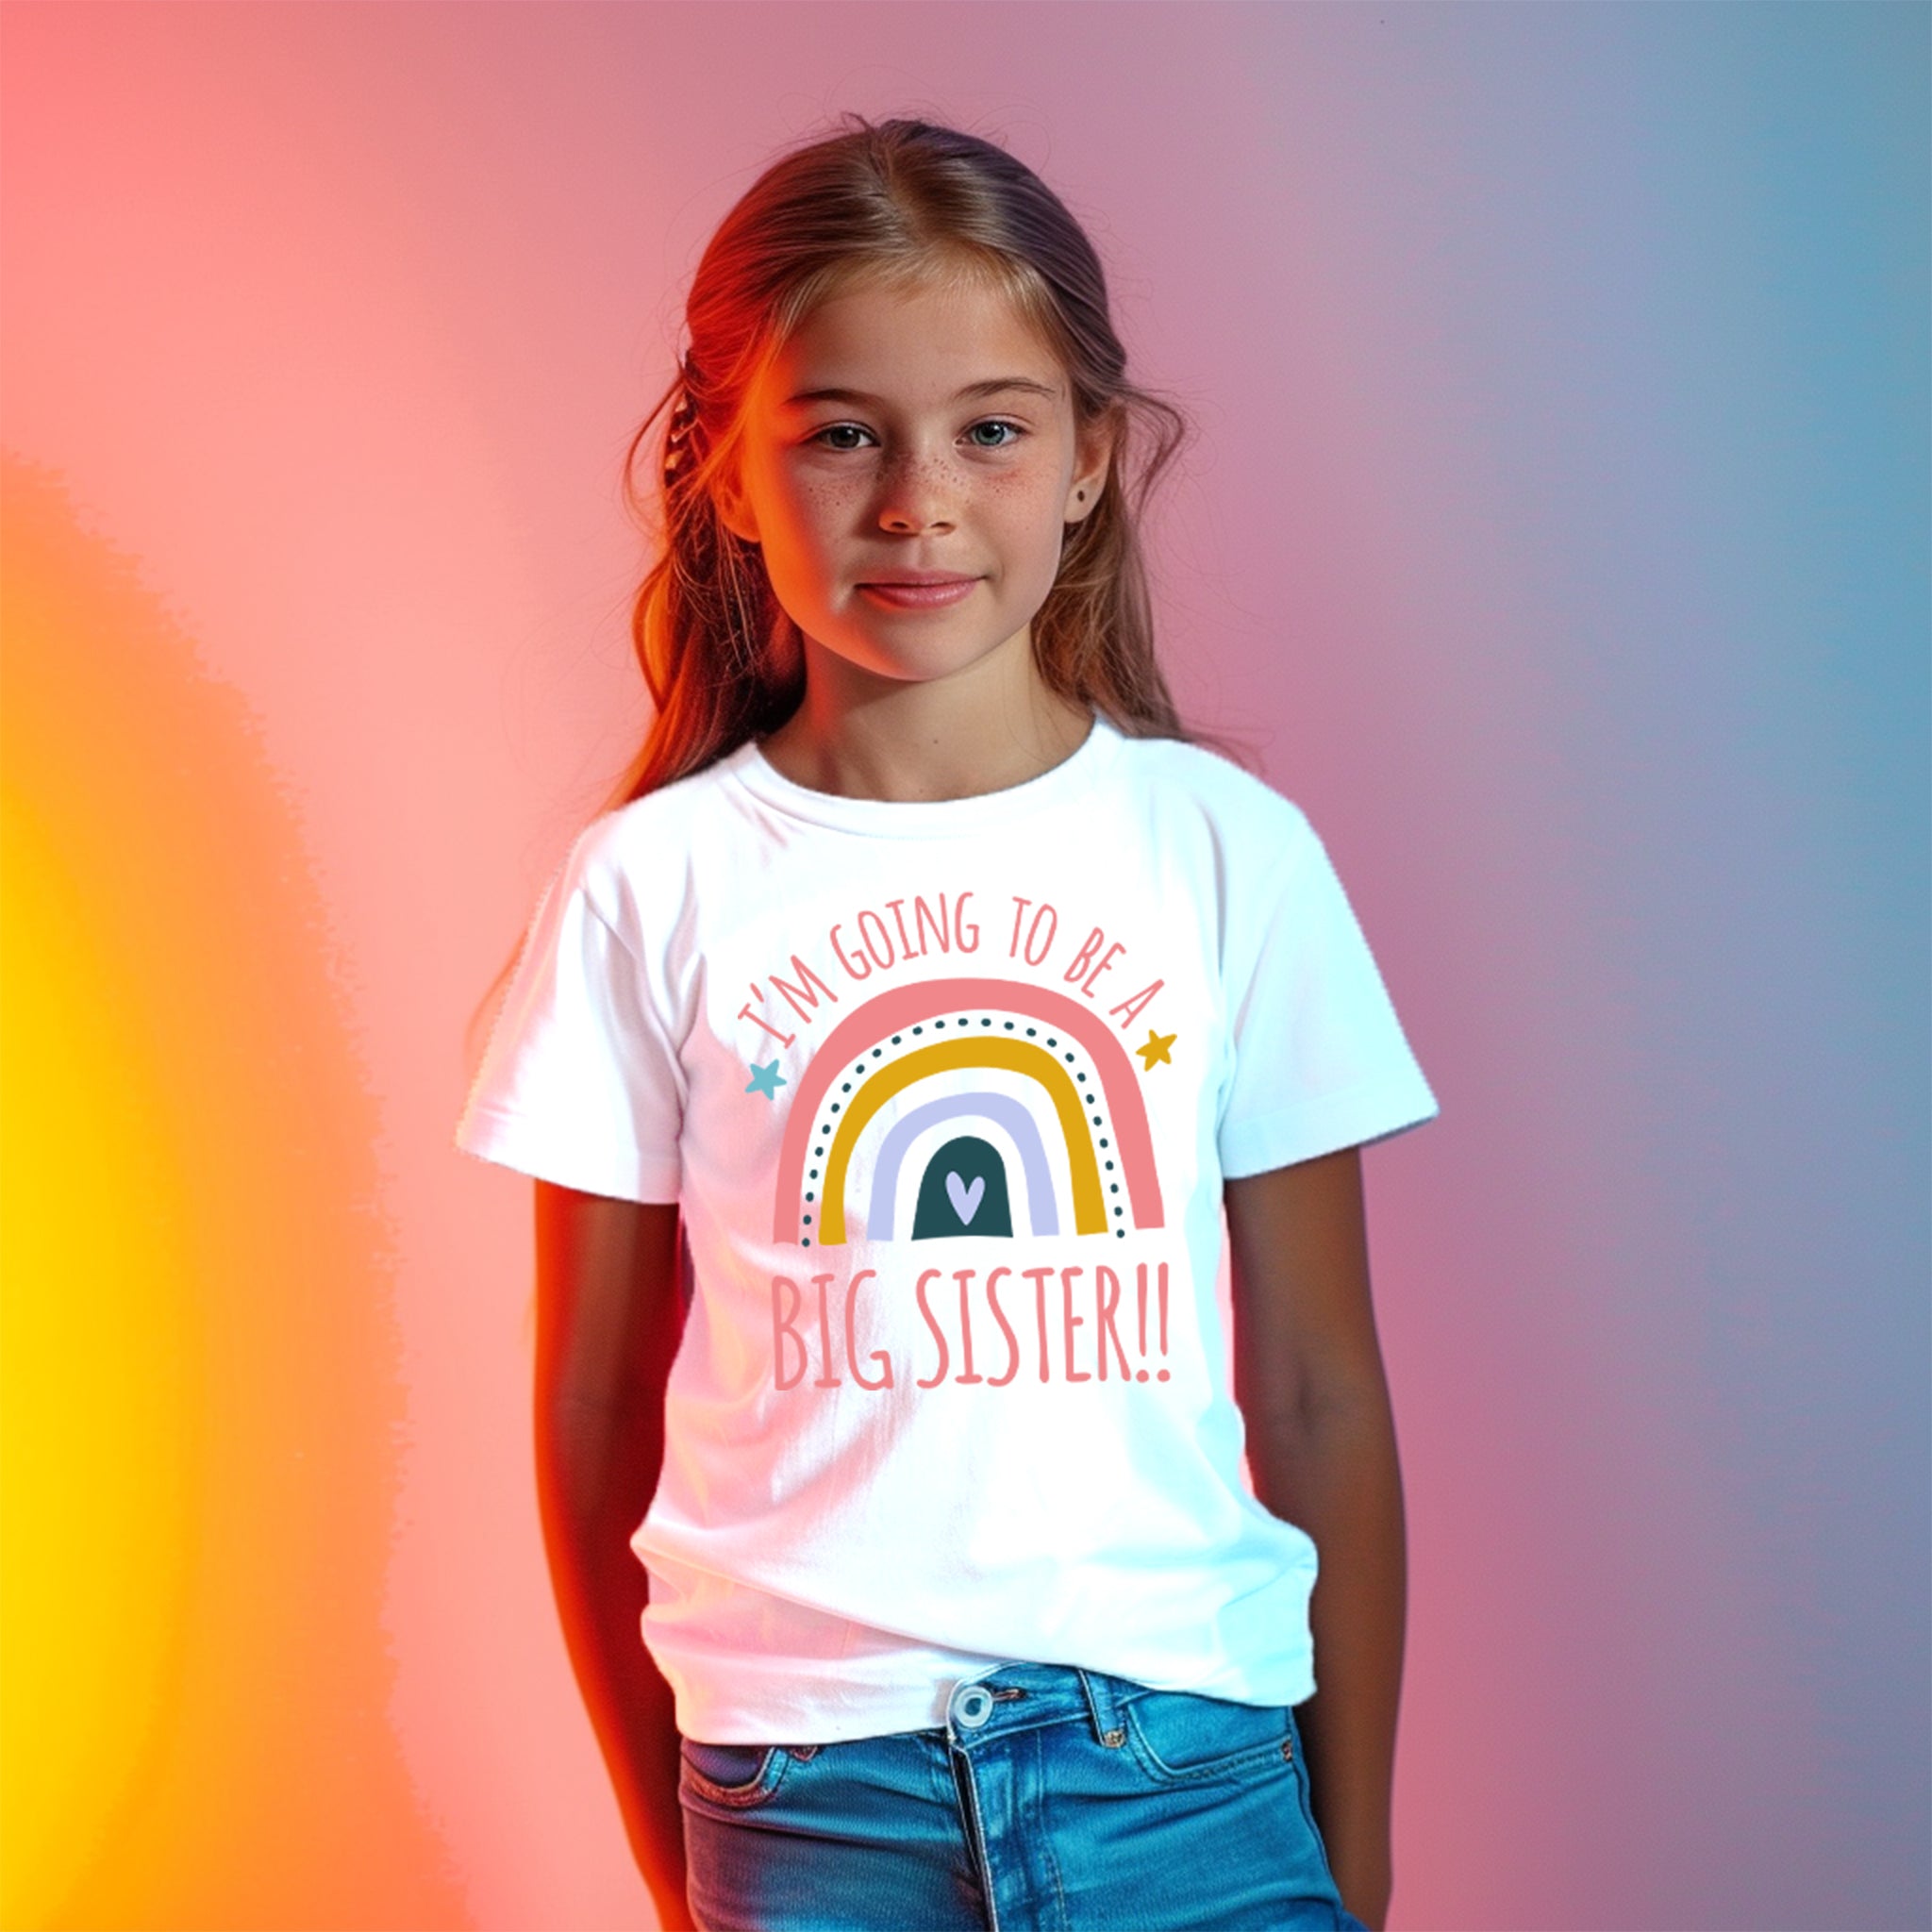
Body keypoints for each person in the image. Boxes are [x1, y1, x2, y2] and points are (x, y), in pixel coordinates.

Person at [456, 113, 1438, 1932]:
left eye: (991, 427)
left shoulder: (1228, 860)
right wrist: (670, 1844)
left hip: (1188, 1773)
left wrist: (1353, 1853)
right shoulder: (648, 886)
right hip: (803, 1796)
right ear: (728, 477)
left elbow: (1315, 1385)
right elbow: (593, 1400)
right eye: (842, 434)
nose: (917, 500)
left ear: (1084, 462)